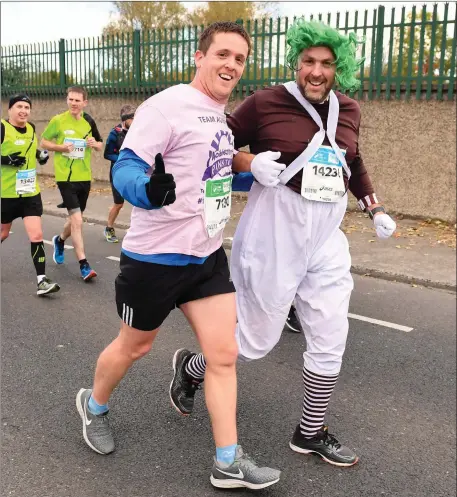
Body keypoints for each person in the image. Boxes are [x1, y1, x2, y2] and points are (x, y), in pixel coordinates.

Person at [170, 19, 397, 468]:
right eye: (309, 61)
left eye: (327, 64)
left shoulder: (348, 109)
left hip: (326, 235)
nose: (317, 71)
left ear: (339, 68)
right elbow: (215, 145)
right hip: (273, 232)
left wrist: (375, 208)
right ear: (296, 62)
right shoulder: (265, 102)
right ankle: (191, 369)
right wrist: (250, 163)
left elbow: (354, 160)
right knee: (253, 341)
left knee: (332, 334)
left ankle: (309, 432)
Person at [75, 22, 280, 491]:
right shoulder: (166, 106)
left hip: (205, 257)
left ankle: (228, 460)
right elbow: (126, 166)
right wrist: (145, 191)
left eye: (240, 59)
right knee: (136, 346)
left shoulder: (221, 118)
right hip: (155, 259)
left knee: (224, 355)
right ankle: (94, 405)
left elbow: (211, 178)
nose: (231, 65)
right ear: (199, 56)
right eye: (223, 54)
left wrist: (255, 176)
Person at [40, 86, 103, 281]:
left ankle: (59, 241)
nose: (73, 103)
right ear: (67, 100)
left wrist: (95, 144)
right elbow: (44, 142)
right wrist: (60, 147)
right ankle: (84, 265)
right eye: (71, 100)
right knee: (77, 221)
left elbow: (100, 145)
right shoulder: (58, 121)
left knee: (76, 219)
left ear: (85, 102)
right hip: (65, 178)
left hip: (84, 177)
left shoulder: (88, 121)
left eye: (77, 100)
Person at [1, 94, 60, 296]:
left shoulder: (32, 128)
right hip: (6, 193)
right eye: (19, 106)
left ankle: (42, 281)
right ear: (10, 109)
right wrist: (6, 159)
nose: (23, 110)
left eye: (27, 107)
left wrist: (40, 156)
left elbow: (31, 149)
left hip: (29, 192)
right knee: (3, 233)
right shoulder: (2, 128)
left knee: (36, 235)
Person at [103, 104, 136, 243]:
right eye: (132, 118)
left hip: (134, 172)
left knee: (138, 201)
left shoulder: (137, 131)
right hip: (117, 173)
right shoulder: (114, 133)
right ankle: (109, 228)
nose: (135, 120)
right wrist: (122, 159)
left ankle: (135, 229)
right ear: (125, 119)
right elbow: (107, 154)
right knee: (119, 204)